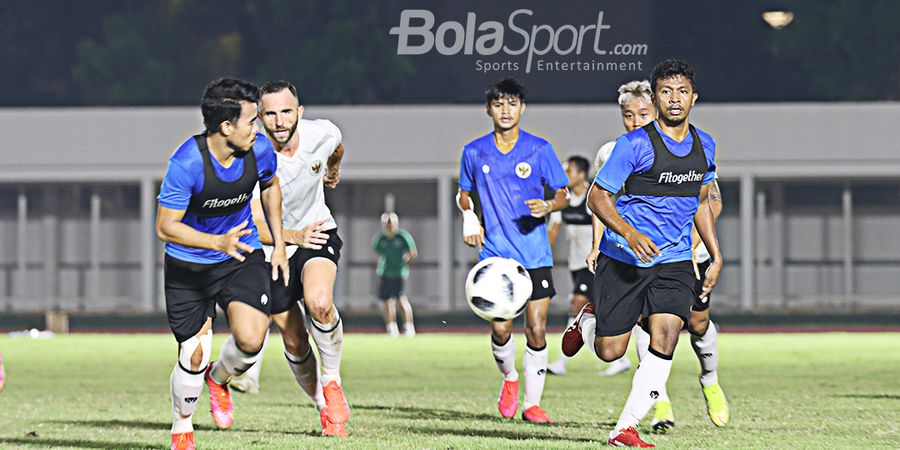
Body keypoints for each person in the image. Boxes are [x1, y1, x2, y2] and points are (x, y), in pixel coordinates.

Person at [562, 60, 722, 447]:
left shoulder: (705, 145)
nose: (675, 99)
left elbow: (701, 201)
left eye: (682, 91)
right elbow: (597, 197)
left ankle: (624, 430)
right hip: (626, 258)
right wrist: (629, 233)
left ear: (694, 97)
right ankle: (588, 323)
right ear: (656, 97)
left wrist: (715, 255)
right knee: (609, 350)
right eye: (666, 91)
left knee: (667, 334)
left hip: (675, 259)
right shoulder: (633, 145)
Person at [156, 78, 289, 450]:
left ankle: (220, 379)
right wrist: (216, 241)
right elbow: (166, 227)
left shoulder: (259, 150)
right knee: (192, 354)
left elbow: (271, 186)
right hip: (189, 267)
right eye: (252, 121)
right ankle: (182, 428)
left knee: (251, 339)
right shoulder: (186, 163)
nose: (259, 129)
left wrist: (278, 244)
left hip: (240, 255)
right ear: (226, 126)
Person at [230, 80, 350, 436]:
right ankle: (324, 409)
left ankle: (332, 382)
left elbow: (337, 146)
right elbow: (252, 220)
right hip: (271, 251)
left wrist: (334, 169)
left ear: (299, 112)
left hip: (317, 233)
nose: (280, 121)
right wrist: (292, 236)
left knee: (319, 302)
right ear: (260, 118)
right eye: (270, 114)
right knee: (295, 339)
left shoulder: (322, 133)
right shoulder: (249, 159)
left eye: (286, 111)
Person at [458, 78, 569, 424]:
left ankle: (532, 405)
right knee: (502, 330)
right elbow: (464, 193)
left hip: (535, 254)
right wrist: (469, 218)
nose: (505, 110)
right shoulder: (473, 152)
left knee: (536, 328)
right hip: (495, 256)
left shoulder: (540, 149)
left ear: (522, 108)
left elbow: (564, 194)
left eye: (512, 104)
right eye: (499, 104)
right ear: (488, 109)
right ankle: (509, 378)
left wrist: (549, 205)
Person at [545, 156, 594, 376]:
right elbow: (552, 231)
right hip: (576, 265)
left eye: (569, 172)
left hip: (595, 265)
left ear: (582, 175)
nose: (565, 176)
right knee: (596, 310)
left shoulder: (593, 198)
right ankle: (618, 361)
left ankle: (562, 362)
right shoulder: (562, 200)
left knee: (576, 304)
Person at [373, 212, 418, 337]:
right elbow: (377, 254)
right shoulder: (381, 238)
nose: (389, 226)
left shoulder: (402, 237)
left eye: (391, 223)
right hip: (385, 273)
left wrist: (404, 260)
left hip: (398, 273)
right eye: (387, 223)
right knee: (387, 301)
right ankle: (392, 327)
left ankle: (409, 326)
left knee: (401, 299)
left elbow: (412, 252)